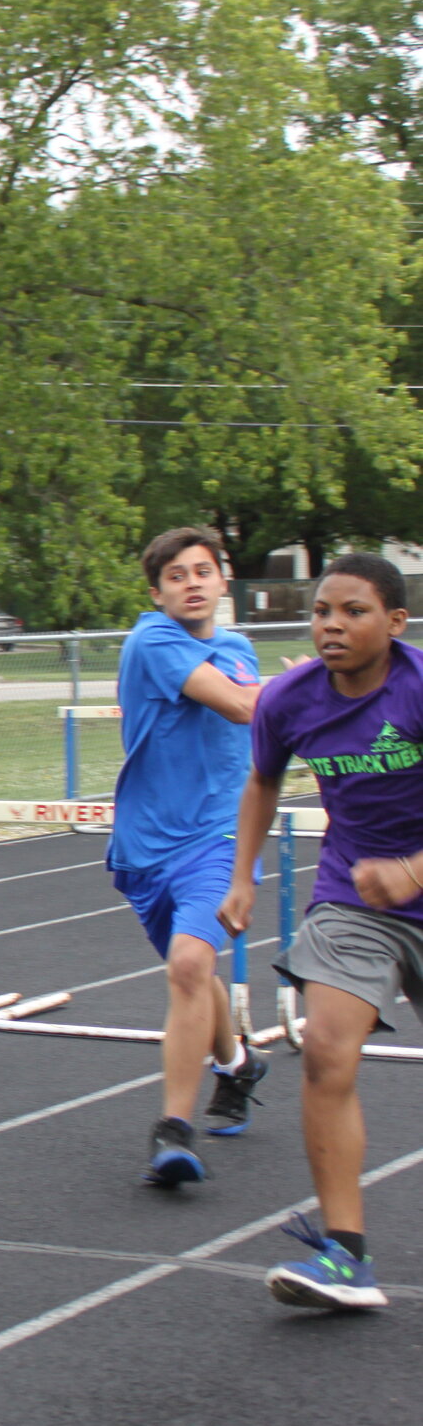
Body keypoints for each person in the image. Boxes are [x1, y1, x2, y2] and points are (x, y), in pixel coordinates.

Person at [221, 552, 423, 1312]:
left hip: (413, 876)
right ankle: (347, 1255)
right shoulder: (288, 699)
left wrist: (411, 868)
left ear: (395, 623)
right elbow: (263, 780)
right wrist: (244, 876)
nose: (332, 625)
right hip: (353, 897)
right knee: (327, 1049)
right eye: (321, 612)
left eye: (353, 611)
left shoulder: (420, 685)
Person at [110, 526, 269, 1187]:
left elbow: (260, 718)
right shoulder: (153, 640)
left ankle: (172, 1130)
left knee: (190, 963)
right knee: (194, 979)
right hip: (147, 847)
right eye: (177, 574)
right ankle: (237, 1066)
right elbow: (240, 706)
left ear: (223, 581)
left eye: (204, 570)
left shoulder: (239, 647)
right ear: (157, 591)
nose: (193, 582)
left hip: (219, 841)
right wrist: (327, 673)